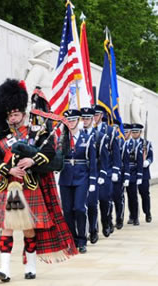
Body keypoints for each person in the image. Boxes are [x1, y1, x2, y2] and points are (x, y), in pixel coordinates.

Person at [0, 78, 77, 282]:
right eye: (9, 114)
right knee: (7, 227)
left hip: (29, 185)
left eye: (16, 113)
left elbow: (49, 152)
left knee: (29, 229)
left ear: (22, 111)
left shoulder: (36, 131)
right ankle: (5, 270)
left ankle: (30, 266)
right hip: (9, 186)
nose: (12, 117)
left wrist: (32, 160)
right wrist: (9, 169)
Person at [58, 109, 97, 254]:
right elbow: (57, 157)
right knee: (67, 210)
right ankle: (72, 240)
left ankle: (82, 239)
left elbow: (92, 161)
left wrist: (92, 181)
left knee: (80, 208)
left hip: (82, 177)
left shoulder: (87, 138)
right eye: (68, 120)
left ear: (78, 121)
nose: (71, 123)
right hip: (66, 177)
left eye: (73, 120)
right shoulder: (62, 139)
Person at [80, 107, 109, 244]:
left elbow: (104, 157)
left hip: (94, 173)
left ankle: (93, 229)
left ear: (93, 119)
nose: (85, 121)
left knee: (92, 204)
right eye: (83, 118)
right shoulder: (77, 135)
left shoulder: (100, 136)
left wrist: (102, 174)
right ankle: (83, 232)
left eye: (87, 118)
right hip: (80, 174)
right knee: (81, 205)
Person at [93, 105, 121, 237]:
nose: (94, 118)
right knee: (91, 201)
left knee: (104, 198)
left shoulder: (110, 131)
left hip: (107, 168)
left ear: (101, 116)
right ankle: (93, 228)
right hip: (92, 169)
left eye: (96, 115)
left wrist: (116, 170)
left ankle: (107, 221)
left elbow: (115, 152)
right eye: (93, 115)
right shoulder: (87, 130)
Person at [126, 123, 144, 226]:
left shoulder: (136, 145)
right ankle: (131, 215)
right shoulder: (123, 143)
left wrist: (140, 175)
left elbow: (139, 161)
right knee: (128, 196)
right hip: (124, 173)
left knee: (133, 196)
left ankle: (135, 217)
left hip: (133, 173)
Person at [138, 129, 153, 222]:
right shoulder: (128, 143)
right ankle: (133, 215)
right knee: (132, 195)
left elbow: (151, 156)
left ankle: (147, 212)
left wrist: (147, 161)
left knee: (144, 193)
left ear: (140, 133)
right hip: (133, 172)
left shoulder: (147, 144)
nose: (135, 134)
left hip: (144, 173)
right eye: (133, 132)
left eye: (137, 132)